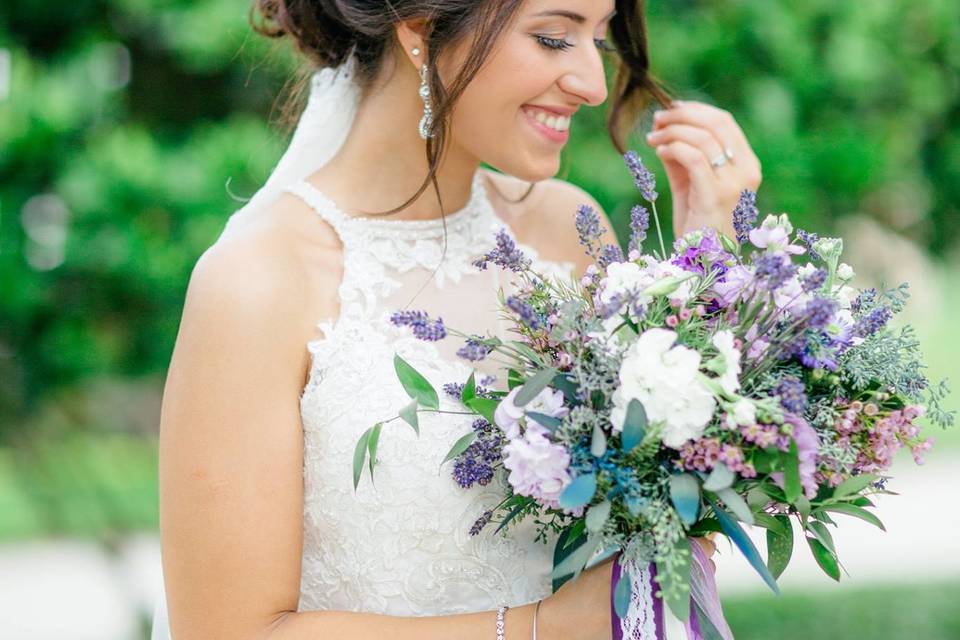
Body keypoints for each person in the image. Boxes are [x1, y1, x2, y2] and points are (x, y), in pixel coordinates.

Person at [153, 0, 760, 638]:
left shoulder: (567, 234)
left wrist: (704, 269)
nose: (592, 84)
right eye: (554, 38)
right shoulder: (258, 282)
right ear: (419, 30)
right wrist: (544, 629)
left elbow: (659, 526)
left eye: (600, 42)